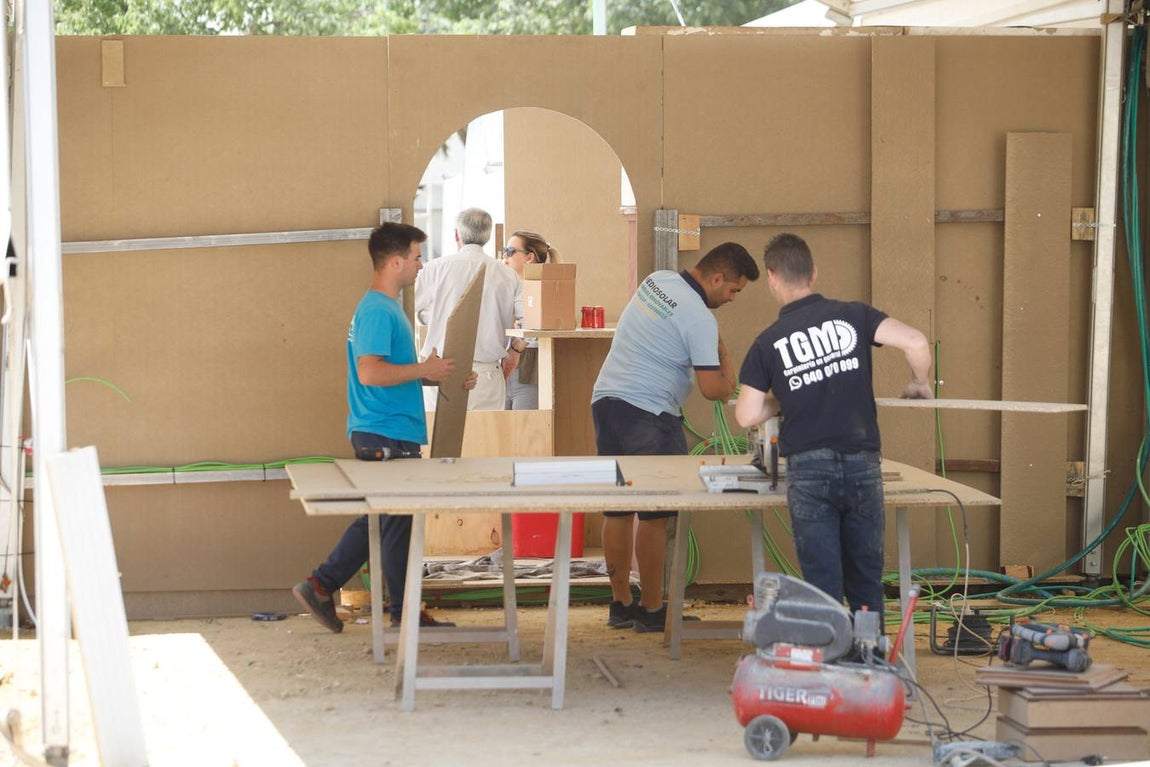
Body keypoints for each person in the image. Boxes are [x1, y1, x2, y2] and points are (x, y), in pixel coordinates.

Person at [734, 232, 933, 627]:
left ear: (772, 278)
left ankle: (831, 667)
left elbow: (746, 415)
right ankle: (871, 668)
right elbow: (915, 341)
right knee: (865, 580)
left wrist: (784, 397)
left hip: (809, 472)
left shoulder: (768, 342)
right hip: (862, 464)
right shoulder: (854, 315)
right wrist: (919, 382)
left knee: (822, 584)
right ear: (814, 272)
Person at [293, 222, 477, 632]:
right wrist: (424, 368)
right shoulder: (377, 309)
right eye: (415, 257)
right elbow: (371, 373)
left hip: (390, 430)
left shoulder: (387, 308)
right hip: (384, 431)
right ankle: (321, 583)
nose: (420, 265)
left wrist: (435, 374)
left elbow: (388, 371)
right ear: (395, 262)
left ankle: (402, 613)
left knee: (395, 520)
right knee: (383, 517)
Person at [592, 242, 760, 632]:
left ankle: (620, 604)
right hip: (649, 414)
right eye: (733, 290)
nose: (732, 299)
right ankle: (652, 610)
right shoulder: (700, 319)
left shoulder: (657, 281)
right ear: (717, 278)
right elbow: (714, 389)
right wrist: (727, 358)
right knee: (656, 514)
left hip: (607, 402)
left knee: (616, 508)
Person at [415, 208, 523, 411]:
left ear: (457, 234)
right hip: (487, 374)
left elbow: (405, 305)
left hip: (440, 371)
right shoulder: (508, 275)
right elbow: (531, 322)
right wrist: (515, 350)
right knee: (487, 441)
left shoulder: (434, 269)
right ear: (487, 236)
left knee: (439, 441)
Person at [500, 229, 559, 410]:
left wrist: (517, 345)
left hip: (529, 367)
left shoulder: (541, 288)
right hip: (506, 369)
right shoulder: (511, 286)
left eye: (510, 251)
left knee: (523, 430)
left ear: (529, 257)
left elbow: (537, 328)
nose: (505, 255)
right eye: (505, 250)